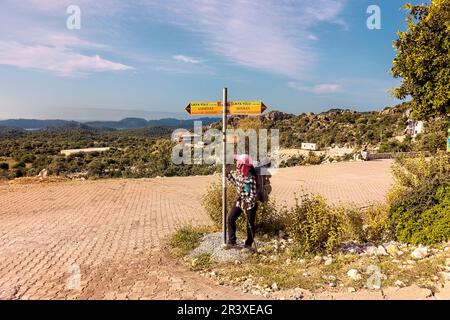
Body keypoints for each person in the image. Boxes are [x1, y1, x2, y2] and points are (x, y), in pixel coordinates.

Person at [225, 154, 258, 250]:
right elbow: (236, 184)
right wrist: (228, 175)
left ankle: (248, 244)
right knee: (230, 219)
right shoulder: (239, 174)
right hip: (239, 202)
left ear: (243, 165)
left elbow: (253, 195)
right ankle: (232, 242)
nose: (237, 163)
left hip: (250, 205)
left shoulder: (251, 178)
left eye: (239, 162)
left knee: (250, 225)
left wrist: (246, 202)